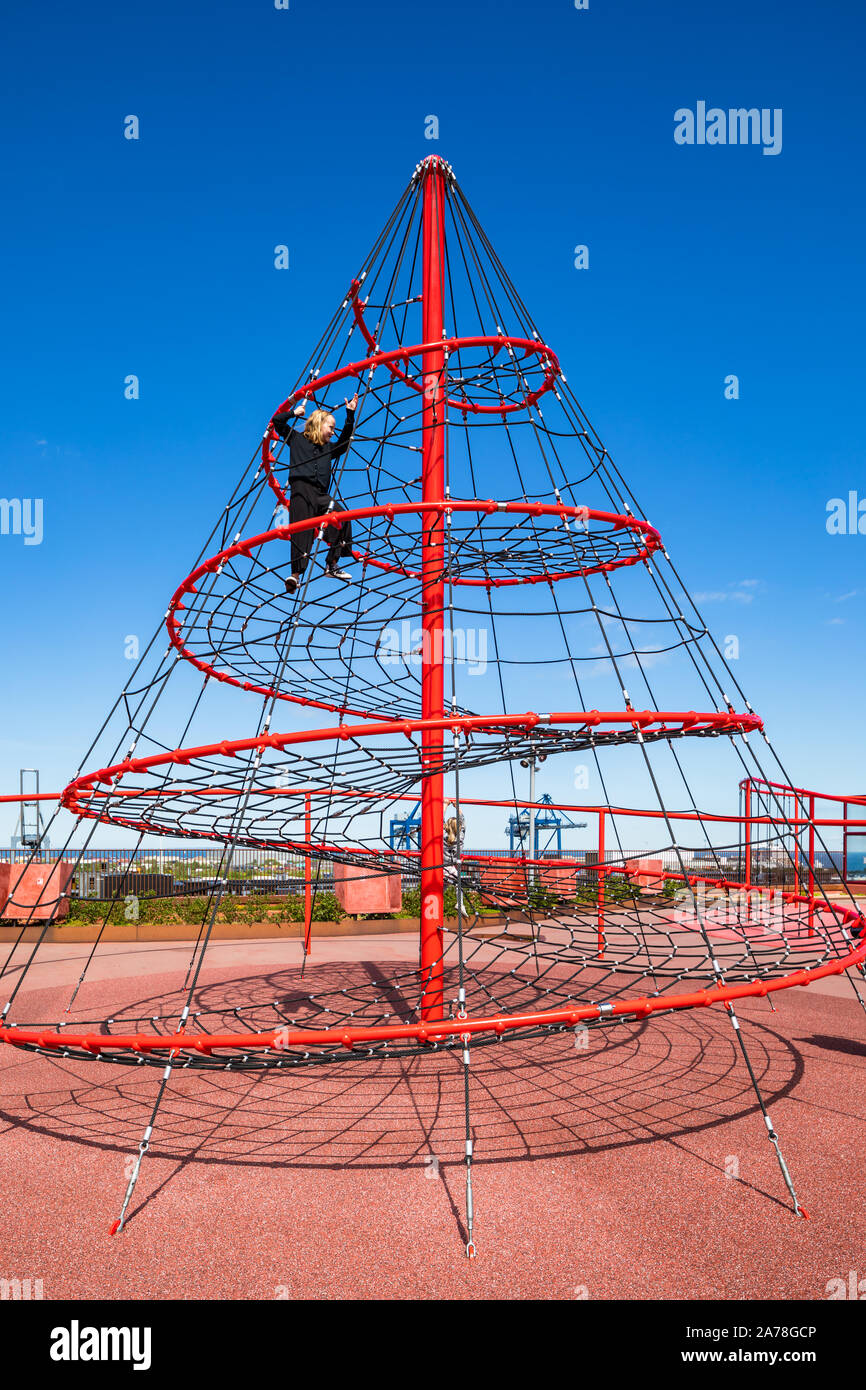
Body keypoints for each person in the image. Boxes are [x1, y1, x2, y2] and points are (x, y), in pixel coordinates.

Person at [271, 393, 358, 594]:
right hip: (301, 490)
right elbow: (277, 421)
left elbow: (344, 442)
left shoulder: (329, 448)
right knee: (301, 530)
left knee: (342, 518)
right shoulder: (296, 439)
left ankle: (332, 564)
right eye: (331, 427)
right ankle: (295, 575)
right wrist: (294, 412)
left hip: (320, 494)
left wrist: (350, 415)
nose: (333, 432)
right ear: (319, 424)